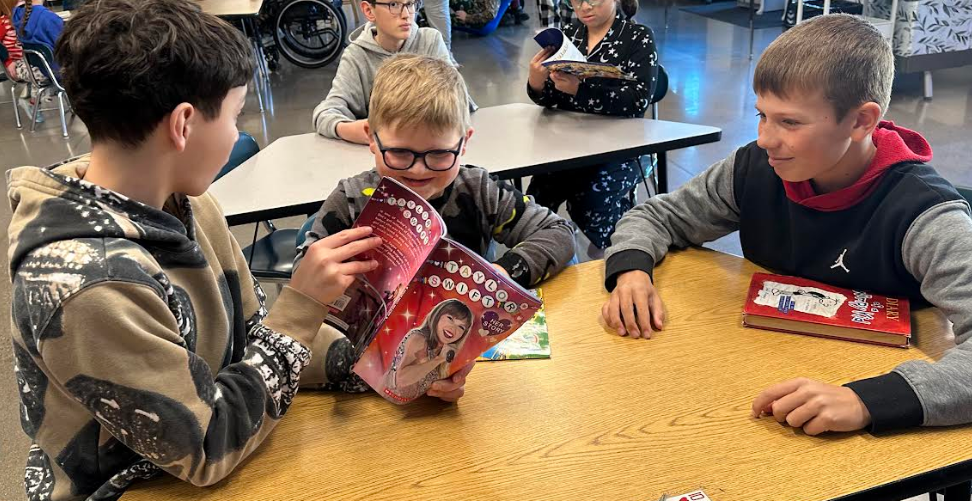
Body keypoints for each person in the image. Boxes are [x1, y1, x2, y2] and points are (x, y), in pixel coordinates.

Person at [7, 1, 388, 499]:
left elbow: (251, 346)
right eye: (237, 115)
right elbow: (205, 446)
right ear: (183, 124)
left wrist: (375, 364)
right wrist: (302, 308)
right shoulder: (89, 287)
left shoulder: (191, 205)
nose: (238, 134)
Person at [602, 14, 972, 436]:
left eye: (790, 122)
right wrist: (632, 268)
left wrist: (867, 401)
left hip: (858, 410)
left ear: (861, 121)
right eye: (762, 115)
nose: (764, 139)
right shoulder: (754, 169)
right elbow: (658, 215)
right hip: (763, 381)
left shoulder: (925, 215)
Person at [526, 0, 657, 251]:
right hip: (569, 143)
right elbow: (552, 98)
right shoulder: (569, 35)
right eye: (576, 0)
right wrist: (537, 84)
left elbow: (637, 100)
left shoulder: (637, 37)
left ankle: (620, 249)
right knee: (535, 202)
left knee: (591, 203)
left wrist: (579, 90)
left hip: (621, 146)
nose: (584, 7)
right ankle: (546, 253)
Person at [312, 0, 474, 144]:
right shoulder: (357, 56)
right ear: (369, 11)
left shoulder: (430, 41)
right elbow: (326, 113)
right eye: (394, 5)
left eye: (410, 4)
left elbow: (458, 101)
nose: (406, 15)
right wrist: (358, 131)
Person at [382, 299, 473, 401]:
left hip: (415, 408)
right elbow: (402, 379)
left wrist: (447, 389)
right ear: (438, 316)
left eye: (461, 327)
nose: (453, 328)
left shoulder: (446, 351)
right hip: (383, 399)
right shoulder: (419, 339)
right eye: (450, 318)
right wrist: (438, 359)